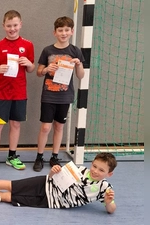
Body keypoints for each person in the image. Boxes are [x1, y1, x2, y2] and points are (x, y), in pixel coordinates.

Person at [0, 152, 117, 214]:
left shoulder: (105, 189)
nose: (95, 171)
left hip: (50, 201)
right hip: (44, 183)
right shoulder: (80, 170)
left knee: (10, 198)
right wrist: (53, 172)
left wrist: (109, 203)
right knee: (11, 185)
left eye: (101, 170)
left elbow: (111, 210)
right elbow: (54, 177)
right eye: (95, 166)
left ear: (109, 174)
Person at [33, 16, 85, 172]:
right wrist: (46, 70)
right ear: (54, 32)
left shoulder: (75, 51)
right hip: (49, 95)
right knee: (45, 128)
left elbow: (80, 75)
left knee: (59, 127)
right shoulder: (48, 50)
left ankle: (54, 156)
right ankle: (39, 156)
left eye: (67, 30)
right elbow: (38, 72)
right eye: (60, 30)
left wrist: (79, 63)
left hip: (65, 96)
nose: (63, 33)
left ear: (72, 31)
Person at [0, 10, 35, 172]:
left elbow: (31, 69)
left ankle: (12, 156)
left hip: (19, 93)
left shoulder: (28, 45)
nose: (12, 29)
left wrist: (28, 63)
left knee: (15, 124)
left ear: (20, 25)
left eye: (15, 25)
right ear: (3, 26)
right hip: (1, 93)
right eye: (9, 26)